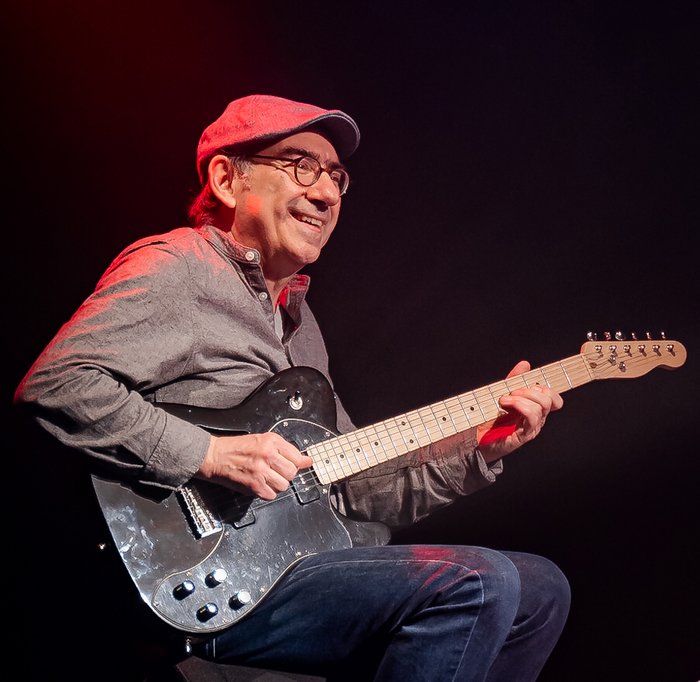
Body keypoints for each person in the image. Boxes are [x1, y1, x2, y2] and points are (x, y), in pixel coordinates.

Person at [14, 94, 570, 682]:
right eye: (302, 166)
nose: (327, 193)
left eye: (336, 176)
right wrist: (208, 454)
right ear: (227, 180)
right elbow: (58, 384)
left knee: (541, 589)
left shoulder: (301, 327)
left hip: (292, 565)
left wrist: (480, 446)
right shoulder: (178, 268)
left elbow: (356, 492)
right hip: (205, 574)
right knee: (477, 581)